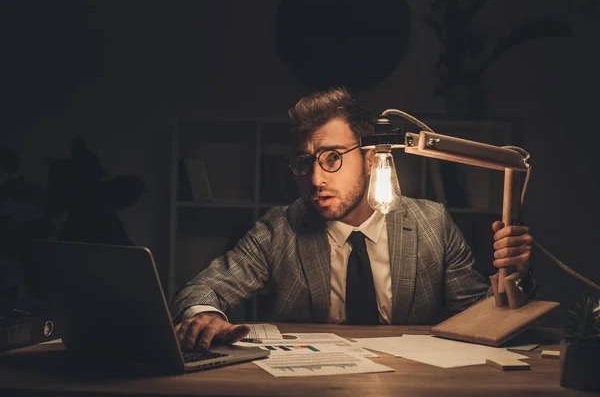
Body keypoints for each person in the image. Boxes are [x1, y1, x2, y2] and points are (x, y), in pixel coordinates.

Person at [169, 87, 535, 351]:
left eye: (331, 157)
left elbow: (478, 315)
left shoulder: (432, 224)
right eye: (307, 162)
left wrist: (514, 277)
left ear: (374, 157)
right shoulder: (282, 227)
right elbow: (204, 288)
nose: (315, 179)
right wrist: (206, 316)